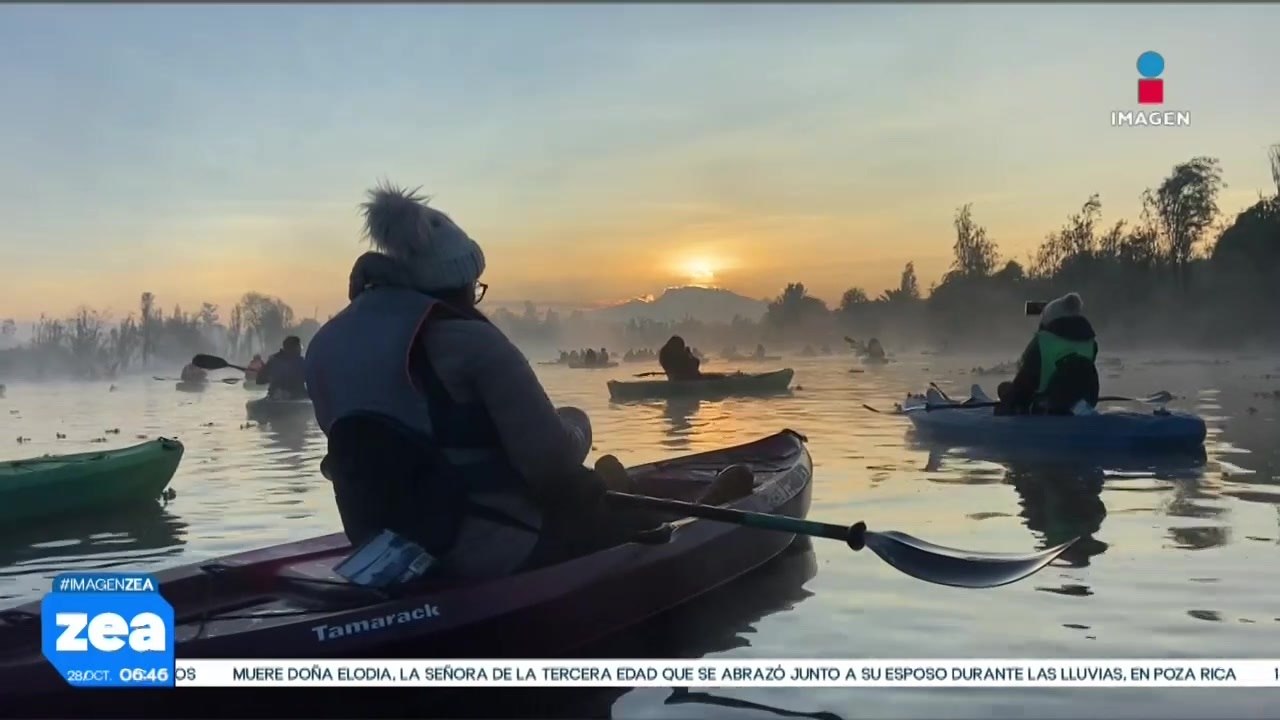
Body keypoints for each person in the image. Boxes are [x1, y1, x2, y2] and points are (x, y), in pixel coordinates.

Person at [305, 184, 750, 581]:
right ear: (457, 281)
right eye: (475, 285)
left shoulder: (325, 345)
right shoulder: (472, 341)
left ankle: (622, 491)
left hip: (379, 546)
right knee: (616, 507)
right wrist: (577, 424)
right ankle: (700, 505)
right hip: (486, 549)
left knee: (597, 485)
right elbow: (551, 466)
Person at [997, 292, 1099, 415]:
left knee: (1004, 388)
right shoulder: (1090, 343)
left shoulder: (1042, 342)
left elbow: (1024, 383)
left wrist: (1009, 405)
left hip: (1051, 404)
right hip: (1088, 398)